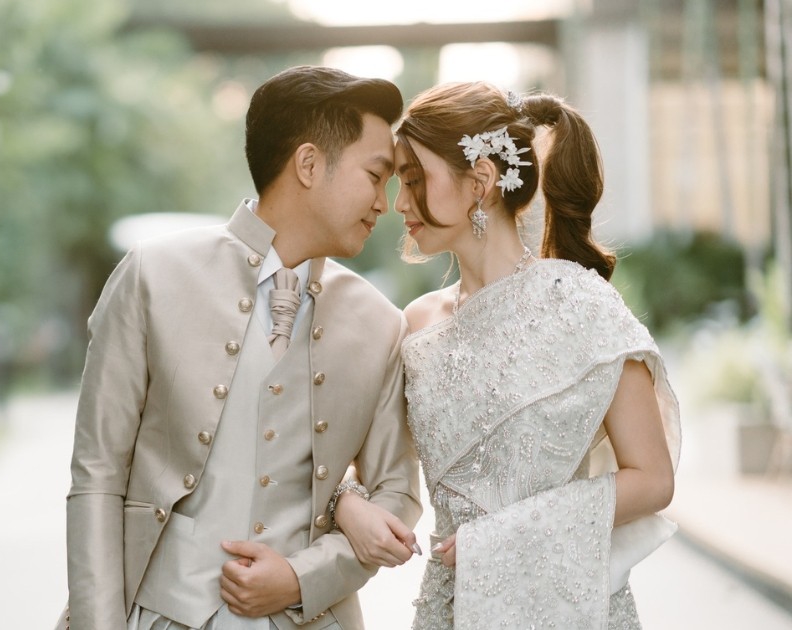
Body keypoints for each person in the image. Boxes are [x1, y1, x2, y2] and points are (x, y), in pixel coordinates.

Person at [60, 65, 423, 630]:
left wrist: (303, 578)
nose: (386, 201)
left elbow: (395, 493)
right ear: (308, 164)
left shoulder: (381, 323)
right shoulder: (153, 276)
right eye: (376, 176)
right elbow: (97, 474)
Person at [332, 82, 681, 629]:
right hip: (450, 608)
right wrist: (347, 503)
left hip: (570, 607)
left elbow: (654, 480)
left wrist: (500, 539)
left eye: (415, 179)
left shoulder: (583, 305)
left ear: (481, 181)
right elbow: (360, 458)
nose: (398, 202)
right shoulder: (414, 326)